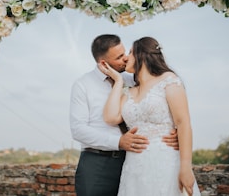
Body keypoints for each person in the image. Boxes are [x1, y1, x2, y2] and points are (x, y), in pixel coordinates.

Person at [69, 34, 179, 196]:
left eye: (125, 52)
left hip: (134, 161)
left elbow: (157, 104)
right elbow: (78, 130)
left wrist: (173, 132)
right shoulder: (83, 85)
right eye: (120, 57)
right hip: (97, 165)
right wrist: (118, 141)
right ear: (103, 63)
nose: (126, 58)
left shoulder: (133, 79)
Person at [99, 36, 201, 196]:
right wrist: (118, 80)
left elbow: (183, 123)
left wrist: (186, 167)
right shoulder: (129, 91)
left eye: (131, 52)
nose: (126, 57)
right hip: (134, 168)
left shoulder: (168, 80)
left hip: (165, 163)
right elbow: (111, 118)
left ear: (142, 54)